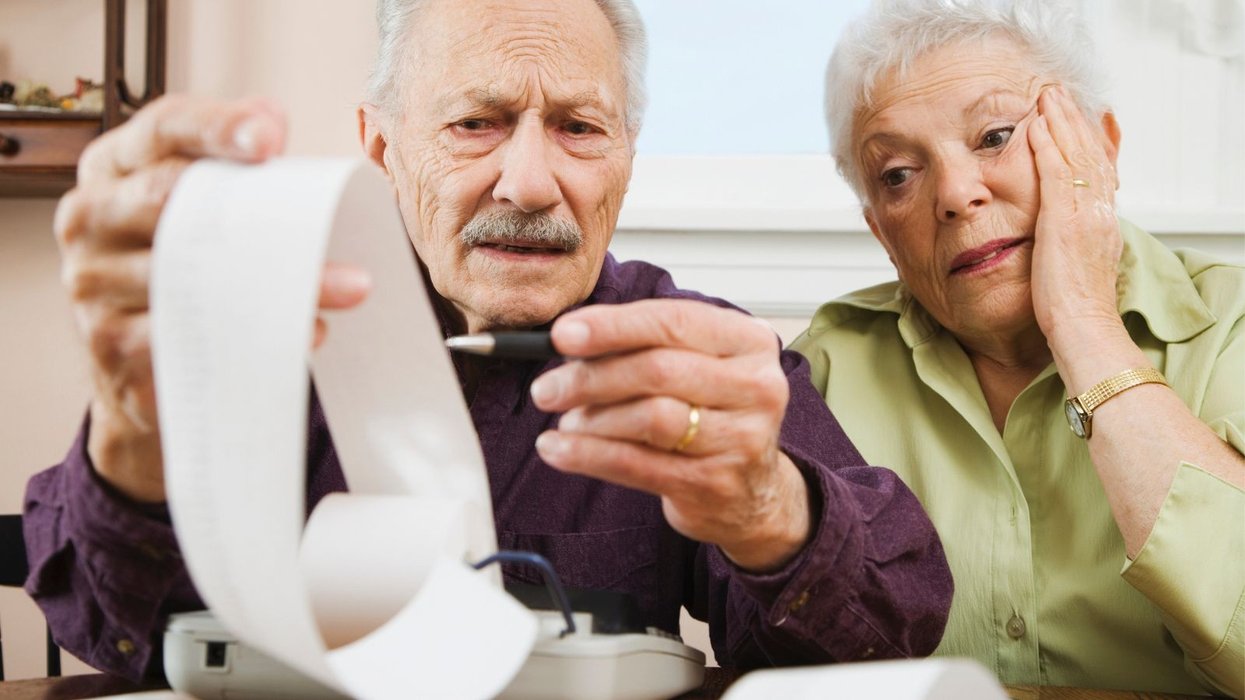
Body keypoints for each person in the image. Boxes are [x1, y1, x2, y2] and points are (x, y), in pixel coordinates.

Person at [25, 0, 952, 682]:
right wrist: (135, 422)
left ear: (625, 157)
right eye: (477, 122)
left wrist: (765, 509)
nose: (529, 182)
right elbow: (114, 630)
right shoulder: (265, 328)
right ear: (381, 146)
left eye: (578, 128)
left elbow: (881, 645)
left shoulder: (697, 361)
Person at [790, 0, 1244, 695]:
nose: (955, 194)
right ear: (881, 229)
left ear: (1100, 148)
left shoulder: (1230, 328)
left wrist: (1083, 320)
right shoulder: (821, 374)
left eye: (994, 135)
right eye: (898, 175)